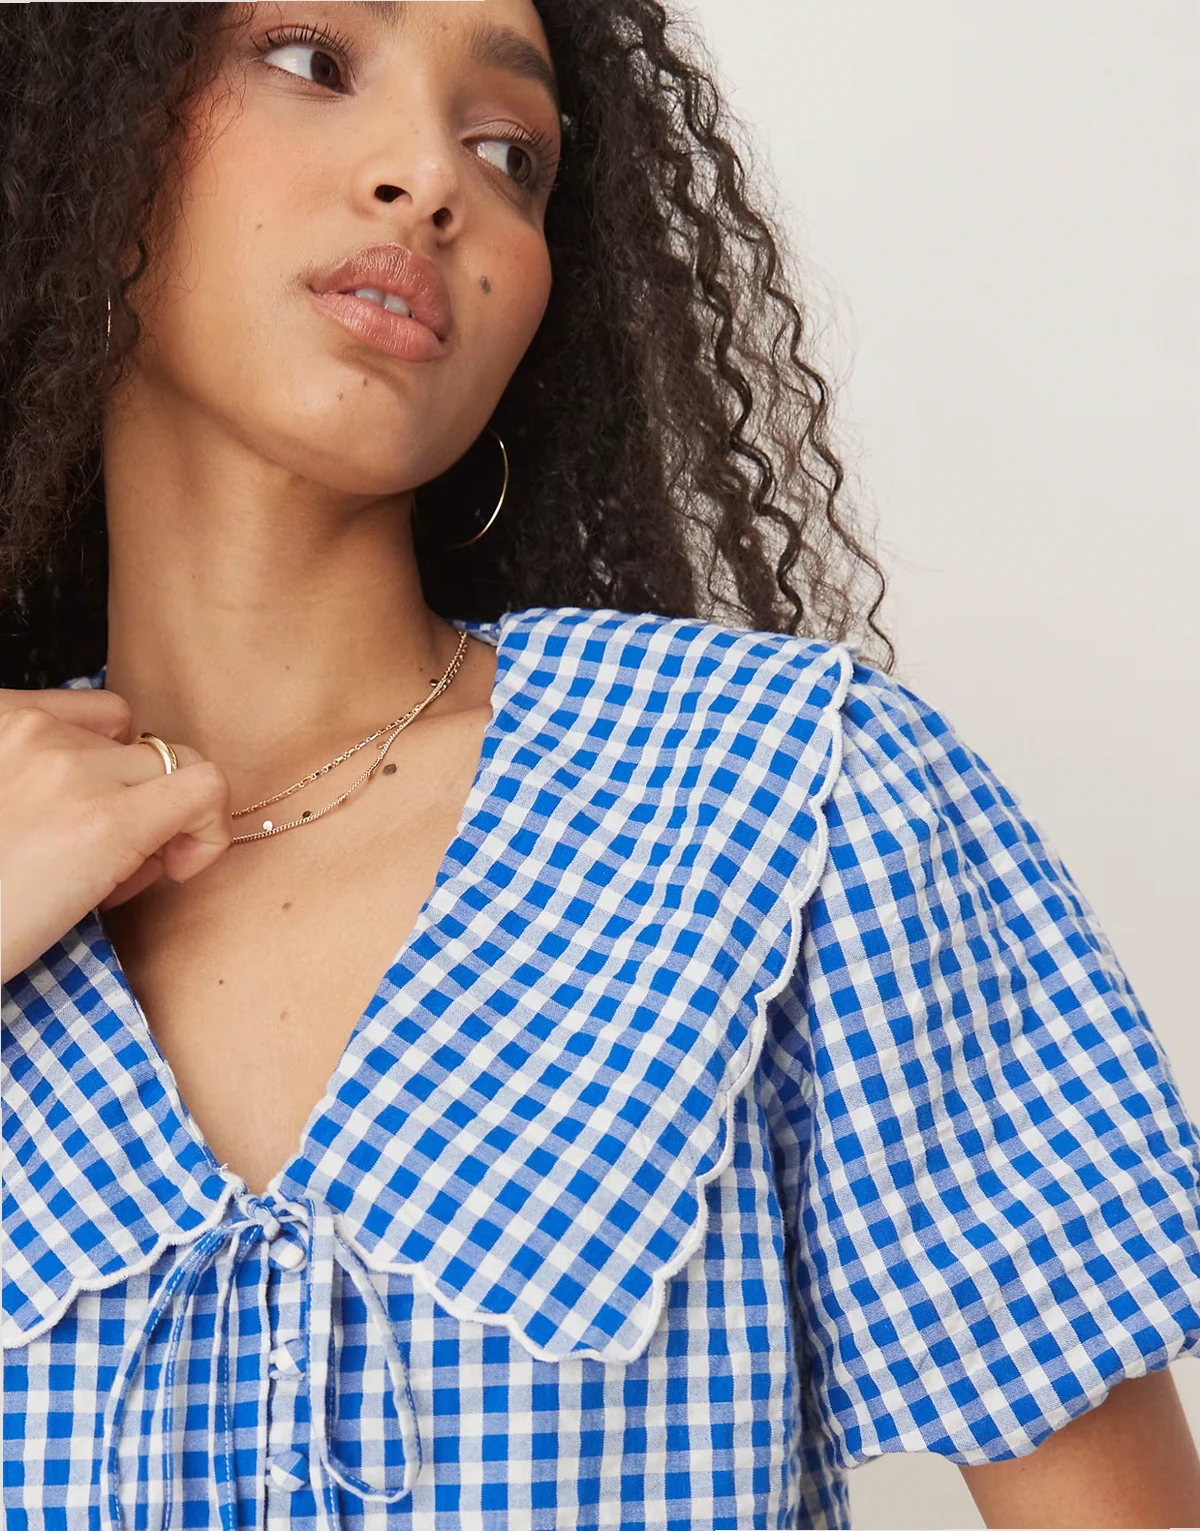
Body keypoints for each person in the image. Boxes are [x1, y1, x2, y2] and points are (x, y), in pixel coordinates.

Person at [2, 3, 1199, 1527]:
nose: (431, 177)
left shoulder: (786, 802)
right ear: (82, 134)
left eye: (511, 152)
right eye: (312, 61)